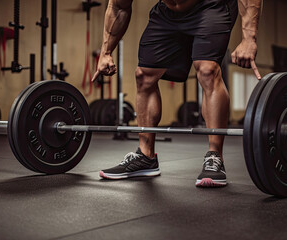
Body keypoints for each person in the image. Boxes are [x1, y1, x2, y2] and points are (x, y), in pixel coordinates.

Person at [93, 0, 262, 187]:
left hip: (211, 6)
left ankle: (215, 157)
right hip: (168, 13)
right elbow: (118, 7)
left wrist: (249, 38)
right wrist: (106, 52)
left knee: (207, 70)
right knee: (144, 75)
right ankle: (145, 156)